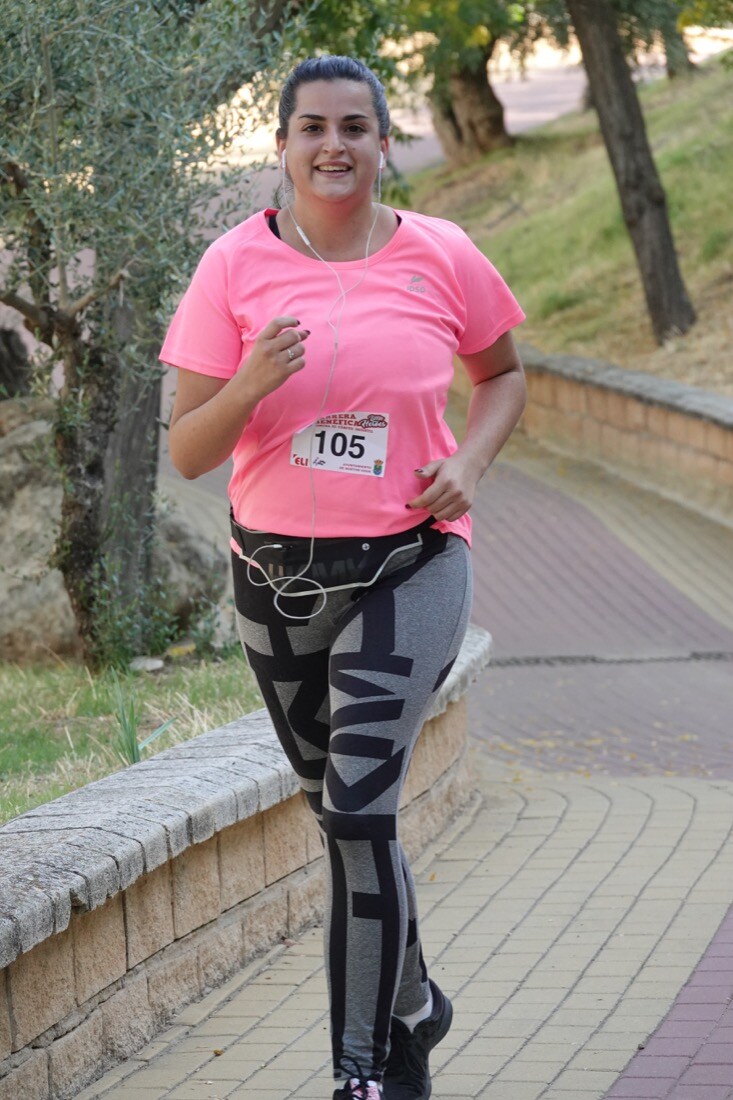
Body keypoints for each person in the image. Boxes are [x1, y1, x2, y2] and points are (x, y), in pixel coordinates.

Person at [161, 55, 526, 1100]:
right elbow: (189, 449)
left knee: (362, 814)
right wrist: (251, 382)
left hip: (411, 562)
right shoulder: (231, 267)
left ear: (381, 142)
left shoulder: (441, 254)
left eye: (355, 127)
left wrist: (469, 461)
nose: (333, 145)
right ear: (280, 144)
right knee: (342, 816)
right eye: (312, 126)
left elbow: (501, 375)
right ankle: (412, 996)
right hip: (273, 582)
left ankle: (366, 1071)